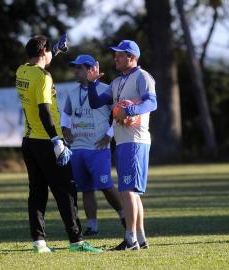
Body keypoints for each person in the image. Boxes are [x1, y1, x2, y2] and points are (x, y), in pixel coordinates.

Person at [15, 35, 102, 253]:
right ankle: (77, 241)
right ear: (43, 51)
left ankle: (39, 242)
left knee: (37, 192)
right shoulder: (43, 77)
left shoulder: (22, 70)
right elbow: (45, 111)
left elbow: (41, 59)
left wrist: (56, 49)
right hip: (46, 141)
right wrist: (57, 140)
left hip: (29, 140)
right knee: (66, 191)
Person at [86, 40, 157, 250]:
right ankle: (140, 239)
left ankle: (130, 239)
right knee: (131, 191)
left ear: (132, 58)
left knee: (127, 190)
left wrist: (131, 111)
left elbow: (152, 102)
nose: (115, 58)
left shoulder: (143, 77)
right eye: (115, 54)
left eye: (119, 55)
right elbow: (95, 103)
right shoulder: (117, 82)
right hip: (124, 141)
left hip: (136, 140)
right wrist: (91, 83)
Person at [60, 54, 125, 236]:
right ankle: (92, 226)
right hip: (77, 148)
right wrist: (65, 129)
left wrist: (109, 135)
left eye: (79, 67)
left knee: (105, 185)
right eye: (75, 67)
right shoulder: (72, 93)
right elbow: (66, 114)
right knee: (85, 189)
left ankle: (124, 215)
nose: (75, 71)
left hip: (98, 148)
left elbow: (118, 114)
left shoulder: (105, 89)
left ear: (90, 69)